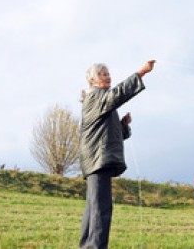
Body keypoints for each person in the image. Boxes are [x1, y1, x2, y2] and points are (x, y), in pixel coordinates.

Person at [78, 60, 155, 249]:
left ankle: (87, 246)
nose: (108, 76)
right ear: (92, 80)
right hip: (97, 161)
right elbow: (118, 95)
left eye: (108, 73)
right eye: (103, 74)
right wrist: (141, 73)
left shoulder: (100, 101)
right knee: (100, 209)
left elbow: (109, 134)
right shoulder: (96, 97)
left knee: (93, 208)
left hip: (98, 160)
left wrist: (122, 126)